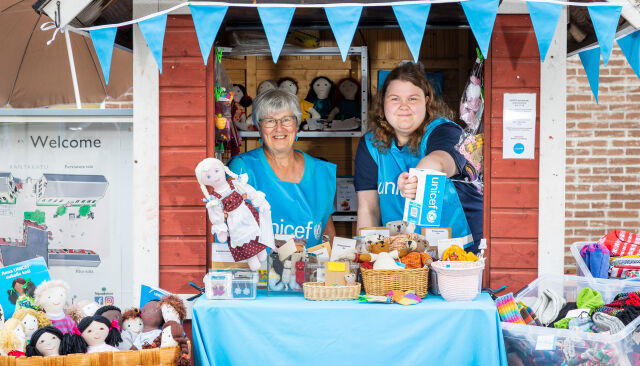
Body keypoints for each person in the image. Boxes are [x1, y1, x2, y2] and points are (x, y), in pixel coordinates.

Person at [355, 63, 482, 252]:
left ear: (427, 101)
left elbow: (441, 161)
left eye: (412, 98)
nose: (404, 106)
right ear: (383, 102)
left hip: (457, 250)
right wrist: (364, 254)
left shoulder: (445, 131)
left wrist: (417, 178)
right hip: (401, 251)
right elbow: (368, 209)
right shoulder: (371, 144)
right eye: (395, 99)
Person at [227, 89, 336, 247]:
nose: (279, 128)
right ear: (259, 127)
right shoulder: (242, 167)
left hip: (310, 269)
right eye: (270, 121)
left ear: (297, 125)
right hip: (259, 270)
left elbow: (327, 232)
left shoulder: (321, 172)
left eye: (286, 120)